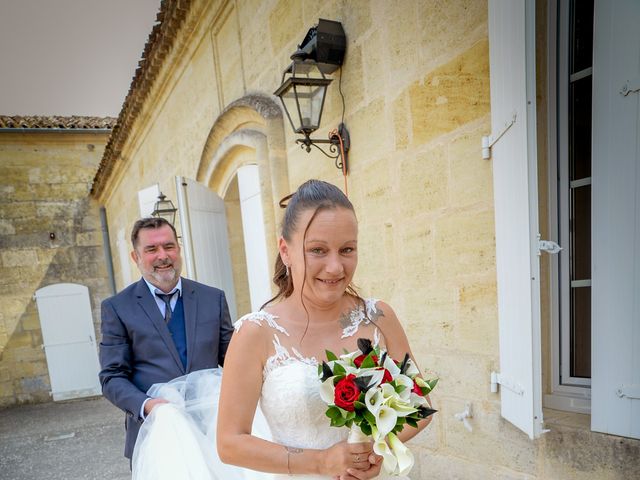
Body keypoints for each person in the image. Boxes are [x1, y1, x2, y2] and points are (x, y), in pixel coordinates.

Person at [216, 179, 433, 480]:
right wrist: (320, 463)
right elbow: (230, 444)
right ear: (285, 250)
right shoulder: (255, 333)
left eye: (347, 249)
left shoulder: (379, 317)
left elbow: (420, 405)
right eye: (317, 250)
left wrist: (371, 453)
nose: (335, 267)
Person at [98, 216, 234, 462]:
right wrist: (148, 405)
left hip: (213, 431)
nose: (162, 255)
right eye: (151, 249)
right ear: (135, 257)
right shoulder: (117, 308)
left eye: (169, 246)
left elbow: (235, 361)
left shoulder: (212, 298)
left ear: (178, 249)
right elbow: (111, 377)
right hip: (155, 436)